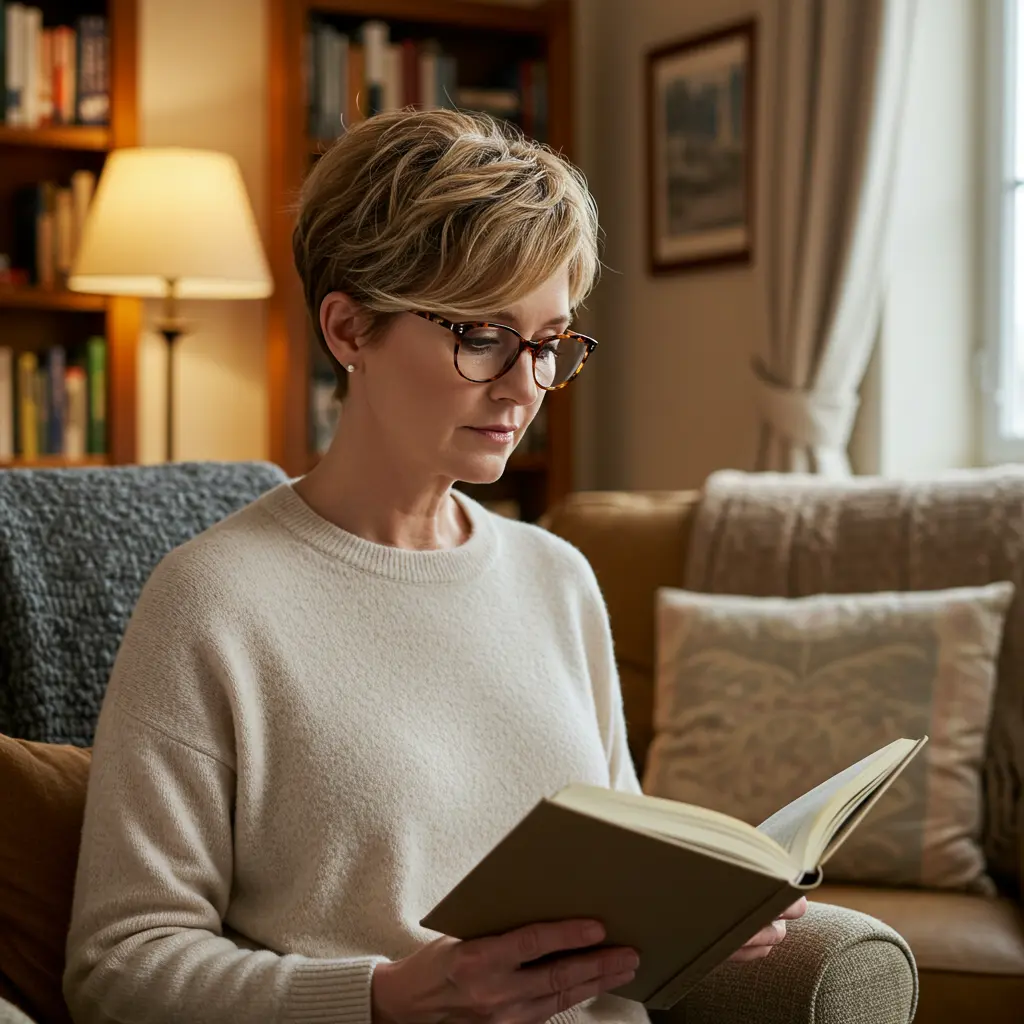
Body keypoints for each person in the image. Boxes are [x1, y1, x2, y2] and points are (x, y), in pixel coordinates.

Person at [63, 109, 805, 1024]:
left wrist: (704, 912)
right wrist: (378, 1001)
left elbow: (613, 896)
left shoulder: (556, 577)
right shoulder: (212, 601)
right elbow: (117, 967)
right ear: (348, 331)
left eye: (549, 342)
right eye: (482, 336)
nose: (526, 384)